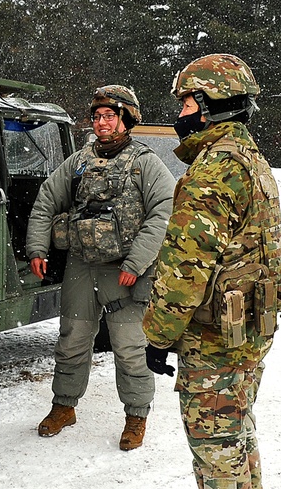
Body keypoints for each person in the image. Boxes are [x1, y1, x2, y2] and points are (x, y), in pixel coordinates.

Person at [142, 53, 281, 489]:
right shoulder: (251, 159)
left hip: (217, 333)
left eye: (186, 103)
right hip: (249, 326)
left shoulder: (216, 168)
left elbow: (186, 264)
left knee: (215, 437)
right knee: (240, 429)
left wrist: (157, 334)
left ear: (208, 107)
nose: (180, 113)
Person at [24, 85, 175, 450]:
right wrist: (36, 247)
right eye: (97, 116)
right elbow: (47, 199)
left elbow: (163, 212)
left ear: (127, 119)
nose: (102, 122)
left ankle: (136, 415)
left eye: (110, 115)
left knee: (129, 347)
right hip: (81, 265)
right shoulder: (78, 161)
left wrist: (138, 262)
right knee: (72, 340)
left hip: (125, 270)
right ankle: (63, 407)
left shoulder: (146, 163)